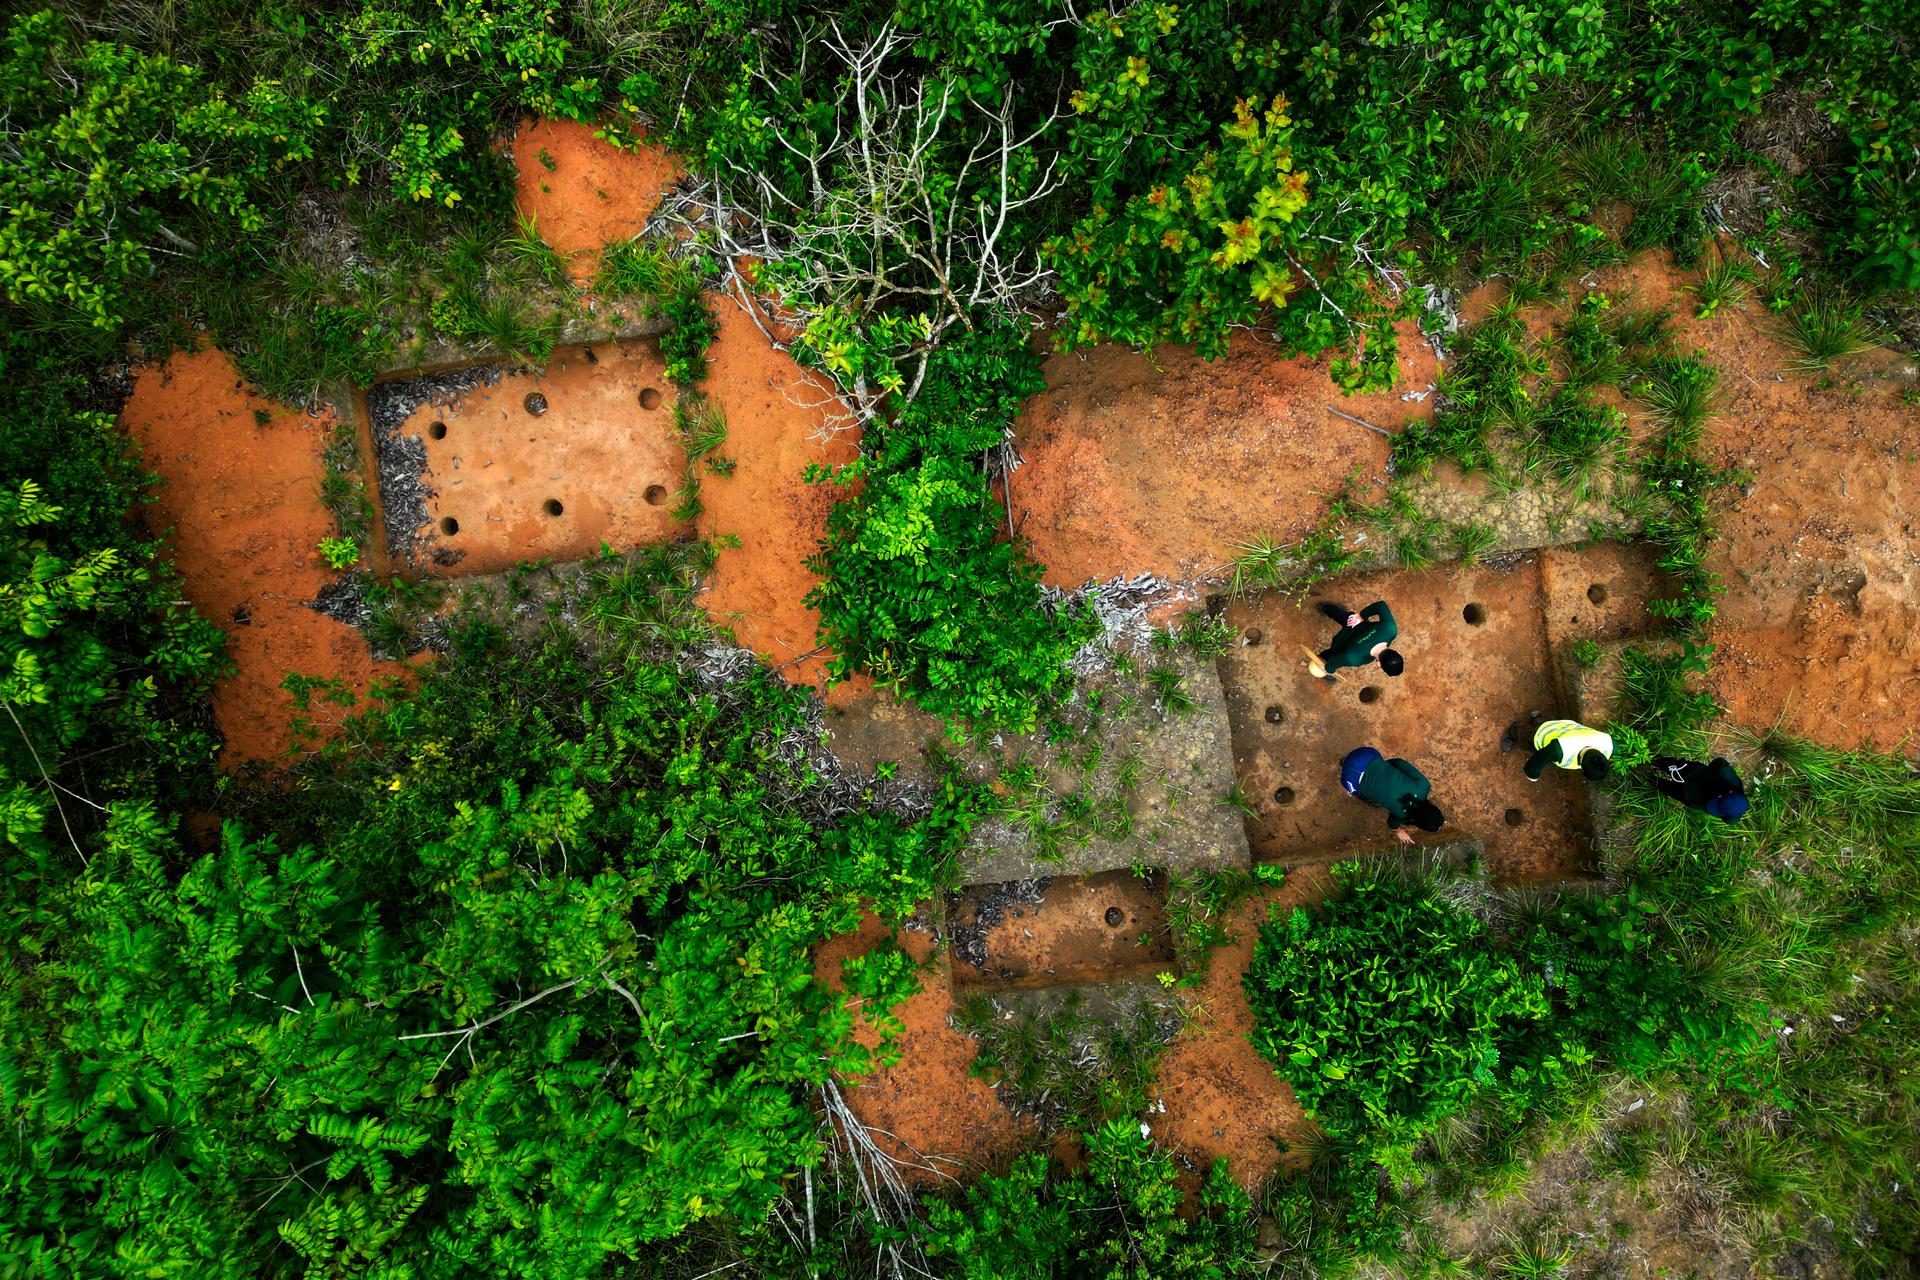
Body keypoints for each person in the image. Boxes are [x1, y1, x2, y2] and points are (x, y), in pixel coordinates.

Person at [1339, 746, 1444, 845]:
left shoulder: (1424, 786)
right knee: (1367, 799)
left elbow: (1398, 762)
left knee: (1374, 761)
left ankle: (1348, 760)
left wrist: (1385, 767)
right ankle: (1345, 765)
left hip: (1363, 755)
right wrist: (1398, 831)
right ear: (1419, 823)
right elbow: (1392, 824)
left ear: (1433, 807)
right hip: (1349, 779)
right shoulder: (1401, 815)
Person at [1503, 714, 1614, 782]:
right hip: (1542, 736)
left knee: (1545, 728)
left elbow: (1617, 746)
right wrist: (1532, 775)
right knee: (1526, 739)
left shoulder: (1608, 743)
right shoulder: (1559, 750)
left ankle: (1537, 720)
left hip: (1561, 727)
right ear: (1582, 766)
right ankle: (1514, 730)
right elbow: (1535, 763)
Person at [1312, 599, 1403, 680]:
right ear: (1379, 664)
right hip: (1341, 642)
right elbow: (1333, 661)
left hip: (1354, 622)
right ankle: (1323, 666)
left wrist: (1361, 616)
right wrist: (1329, 670)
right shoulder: (1355, 659)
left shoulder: (1390, 630)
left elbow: (1381, 605)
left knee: (1341, 616)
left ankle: (1325, 607)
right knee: (1331, 655)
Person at [1649, 756, 1750, 821]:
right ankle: (1653, 760)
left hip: (1694, 799)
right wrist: (1707, 773)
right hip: (1695, 773)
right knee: (1672, 766)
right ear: (1730, 792)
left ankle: (1648, 779)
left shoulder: (1733, 814)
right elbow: (1719, 762)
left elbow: (1728, 819)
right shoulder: (1727, 777)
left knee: (1668, 788)